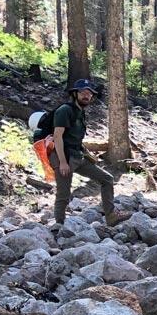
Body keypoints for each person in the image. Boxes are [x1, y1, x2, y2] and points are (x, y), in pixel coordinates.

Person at [31, 79, 129, 227]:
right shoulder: (64, 110)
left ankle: (111, 216)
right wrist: (63, 162)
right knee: (63, 195)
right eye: (83, 92)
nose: (86, 96)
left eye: (89, 94)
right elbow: (57, 136)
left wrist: (87, 154)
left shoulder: (80, 112)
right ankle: (59, 227)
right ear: (75, 93)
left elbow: (74, 138)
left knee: (107, 179)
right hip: (62, 157)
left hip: (77, 156)